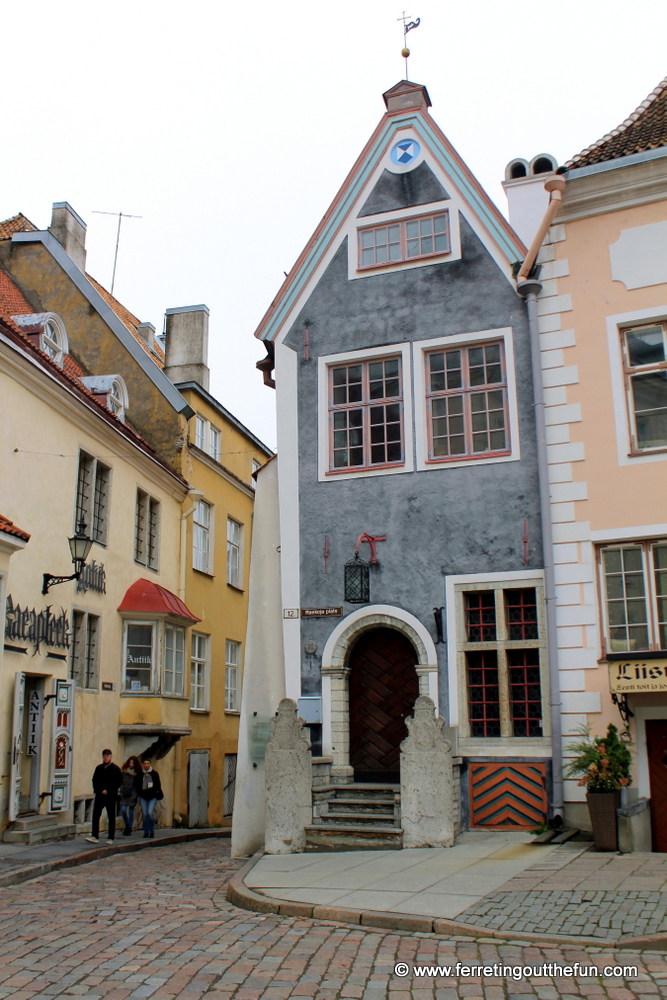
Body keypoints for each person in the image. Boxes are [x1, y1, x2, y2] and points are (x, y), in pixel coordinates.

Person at [86, 749, 122, 844]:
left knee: (111, 816)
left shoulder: (116, 769)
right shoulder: (99, 768)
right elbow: (95, 780)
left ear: (111, 757)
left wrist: (108, 790)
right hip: (100, 796)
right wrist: (100, 790)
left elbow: (118, 782)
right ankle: (95, 836)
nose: (106, 758)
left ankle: (111, 837)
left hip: (110, 796)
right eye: (104, 756)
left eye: (107, 756)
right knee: (96, 814)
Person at [137, 758, 163, 839]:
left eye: (148, 763)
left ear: (150, 764)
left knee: (149, 813)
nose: (146, 765)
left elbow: (158, 785)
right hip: (143, 796)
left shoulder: (154, 774)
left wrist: (154, 791)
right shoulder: (140, 774)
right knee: (144, 814)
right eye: (145, 764)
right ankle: (146, 831)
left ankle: (151, 830)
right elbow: (137, 785)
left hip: (152, 796)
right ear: (143, 765)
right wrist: (140, 792)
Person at [119, 756, 141, 836]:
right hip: (124, 794)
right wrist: (121, 792)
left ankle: (129, 828)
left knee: (131, 811)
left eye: (133, 763)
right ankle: (127, 825)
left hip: (132, 794)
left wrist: (134, 795)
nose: (131, 764)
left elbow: (137, 785)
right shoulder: (124, 771)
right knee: (123, 810)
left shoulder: (137, 773)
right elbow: (121, 782)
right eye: (130, 763)